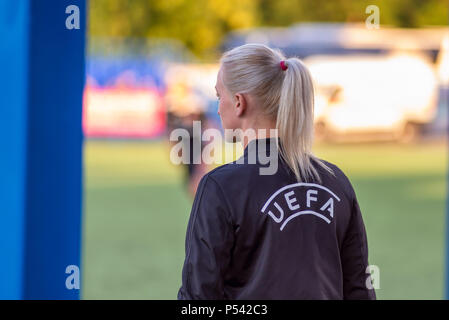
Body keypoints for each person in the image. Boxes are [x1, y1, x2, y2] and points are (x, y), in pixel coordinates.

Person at [177, 44, 376, 300]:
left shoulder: (220, 186)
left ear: (239, 103)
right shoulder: (335, 181)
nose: (217, 108)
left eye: (219, 96)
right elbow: (359, 289)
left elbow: (198, 298)